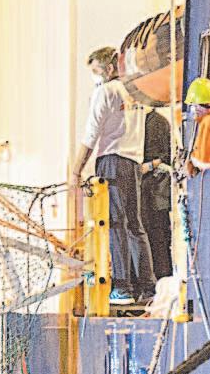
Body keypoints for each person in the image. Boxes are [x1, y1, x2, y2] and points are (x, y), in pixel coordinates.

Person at [70, 46, 156, 305]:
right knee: (135, 226)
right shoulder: (135, 91)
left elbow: (91, 135)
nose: (95, 77)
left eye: (96, 71)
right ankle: (147, 287)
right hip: (133, 162)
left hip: (112, 161)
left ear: (108, 69)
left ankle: (122, 287)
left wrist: (76, 170)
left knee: (116, 224)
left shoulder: (105, 91)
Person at [140, 108, 173, 279]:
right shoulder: (152, 121)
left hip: (156, 190)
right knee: (156, 236)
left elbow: (163, 157)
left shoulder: (155, 123)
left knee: (157, 235)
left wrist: (146, 167)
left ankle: (160, 277)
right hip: (152, 191)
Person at [184, 77, 210, 177]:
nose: (194, 109)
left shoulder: (209, 122)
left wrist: (192, 163)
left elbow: (204, 161)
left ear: (208, 104)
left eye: (196, 105)